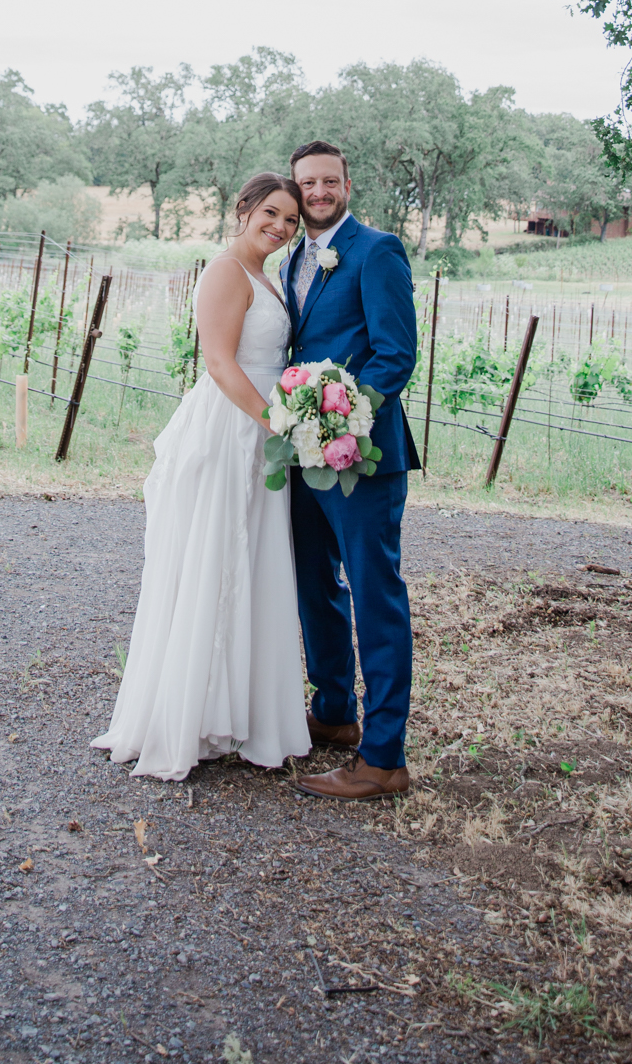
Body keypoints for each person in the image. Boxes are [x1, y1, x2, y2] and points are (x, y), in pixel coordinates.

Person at [92, 173, 311, 781]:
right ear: (243, 210)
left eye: (291, 220)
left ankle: (241, 711)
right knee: (215, 558)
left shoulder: (269, 275)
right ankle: (195, 713)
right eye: (271, 213)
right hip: (234, 427)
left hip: (264, 428)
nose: (281, 227)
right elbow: (218, 361)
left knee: (254, 562)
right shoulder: (225, 271)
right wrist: (277, 425)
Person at [281, 139, 419, 800]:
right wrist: (306, 428)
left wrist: (344, 420)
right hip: (306, 453)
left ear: (347, 184)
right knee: (316, 588)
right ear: (296, 186)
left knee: (375, 596)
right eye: (308, 182)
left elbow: (395, 354)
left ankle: (384, 755)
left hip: (362, 455)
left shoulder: (377, 250)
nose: (319, 191)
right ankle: (334, 712)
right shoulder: (291, 258)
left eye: (329, 180)